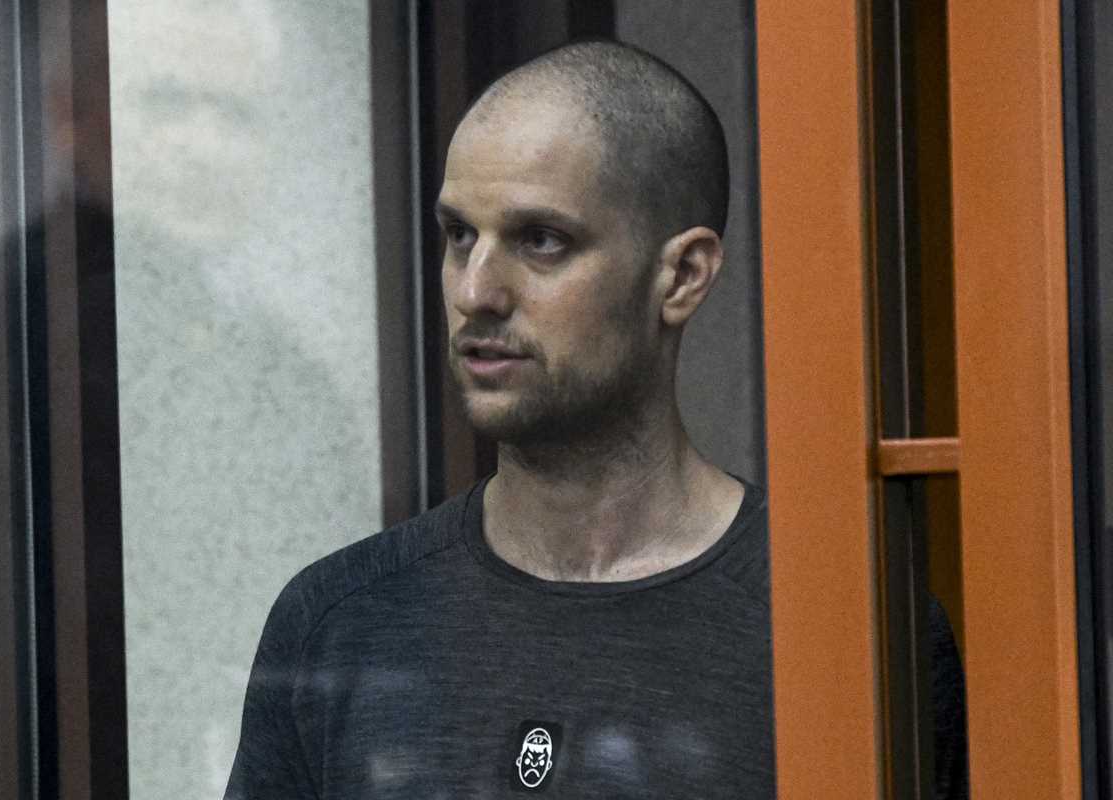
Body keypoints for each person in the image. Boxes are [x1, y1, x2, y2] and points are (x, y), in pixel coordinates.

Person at [224, 39, 968, 799]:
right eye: (459, 236)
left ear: (682, 276)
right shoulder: (340, 621)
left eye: (540, 241)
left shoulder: (846, 631)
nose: (475, 292)